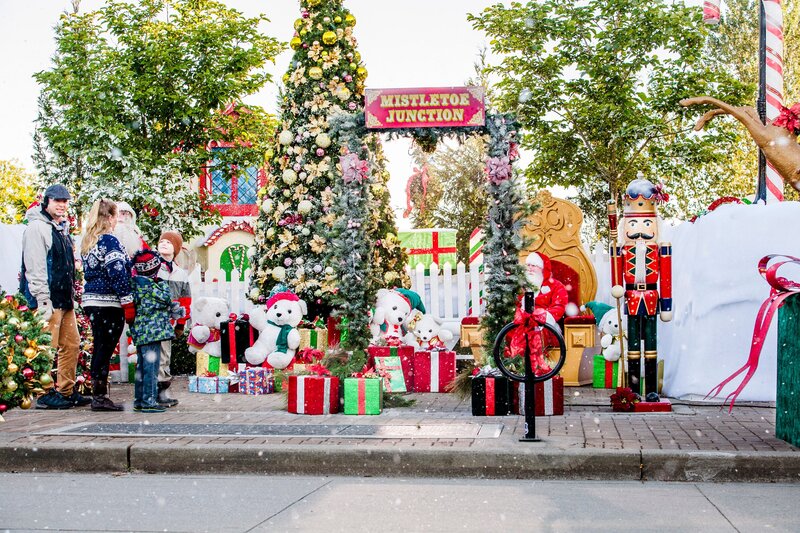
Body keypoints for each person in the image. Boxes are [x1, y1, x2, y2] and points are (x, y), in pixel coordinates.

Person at [19, 184, 91, 409]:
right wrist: (42, 300)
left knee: (72, 345)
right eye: (57, 201)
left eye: (65, 201)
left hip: (64, 298)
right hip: (47, 299)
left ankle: (66, 391)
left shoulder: (60, 228)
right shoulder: (37, 228)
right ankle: (44, 393)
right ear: (46, 202)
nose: (62, 205)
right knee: (46, 347)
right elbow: (35, 266)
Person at [610, 177, 673, 399]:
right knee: (633, 347)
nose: (639, 230)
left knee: (652, 346)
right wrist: (617, 286)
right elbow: (616, 273)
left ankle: (652, 390)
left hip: (652, 297)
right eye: (633, 224)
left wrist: (667, 305)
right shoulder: (621, 249)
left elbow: (666, 278)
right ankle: (634, 390)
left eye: (646, 224)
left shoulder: (662, 249)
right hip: (631, 298)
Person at [80, 198, 134, 411]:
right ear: (110, 217)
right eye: (116, 216)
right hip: (108, 302)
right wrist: (127, 301)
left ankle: (98, 393)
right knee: (105, 348)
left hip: (92, 301)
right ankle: (100, 397)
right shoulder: (110, 241)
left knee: (100, 347)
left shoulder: (89, 241)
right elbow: (117, 272)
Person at [129, 250, 183, 413]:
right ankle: (149, 401)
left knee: (142, 368)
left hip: (141, 332)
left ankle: (139, 400)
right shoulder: (154, 287)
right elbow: (167, 298)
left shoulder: (134, 285)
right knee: (151, 368)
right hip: (153, 333)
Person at [155, 230, 191, 407]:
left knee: (165, 356)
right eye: (162, 241)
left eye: (169, 242)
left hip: (168, 322)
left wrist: (181, 323)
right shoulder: (153, 268)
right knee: (151, 356)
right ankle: (150, 391)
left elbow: (185, 300)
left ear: (176, 249)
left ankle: (162, 391)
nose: (164, 244)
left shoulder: (180, 273)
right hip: (153, 319)